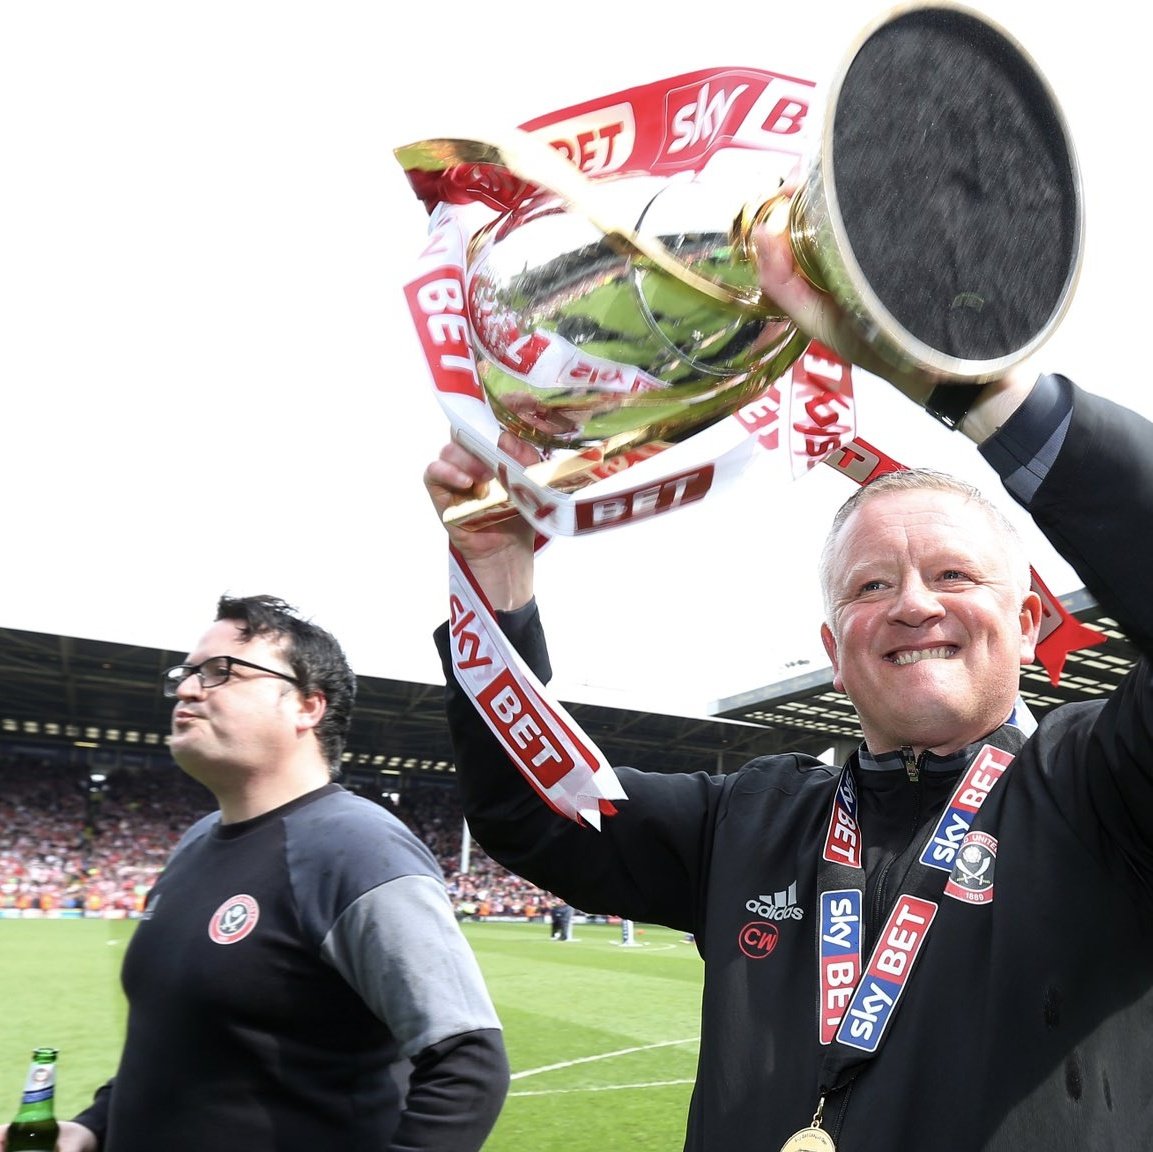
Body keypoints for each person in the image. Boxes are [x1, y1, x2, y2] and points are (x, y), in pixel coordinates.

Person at [420, 197, 1153, 1150]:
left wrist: (969, 385)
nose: (912, 605)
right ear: (833, 649)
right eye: (871, 586)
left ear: (1024, 626)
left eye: (953, 576)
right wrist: (493, 577)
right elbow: (533, 809)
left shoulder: (1103, 786)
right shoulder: (749, 821)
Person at [0, 594, 509, 1152]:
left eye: (222, 671)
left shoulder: (357, 847)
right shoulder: (194, 843)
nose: (188, 689)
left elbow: (468, 1061)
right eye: (186, 673)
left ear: (307, 706)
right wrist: (94, 1126)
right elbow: (182, 1046)